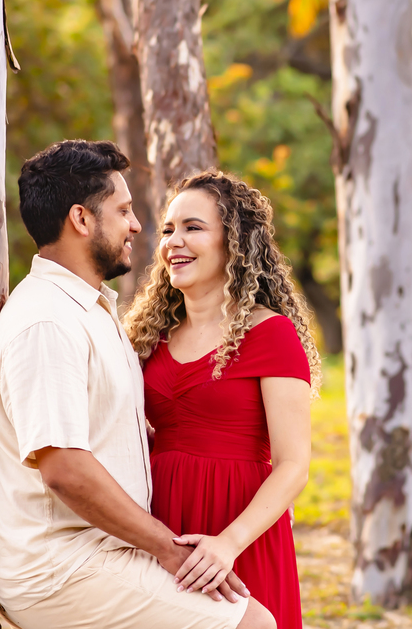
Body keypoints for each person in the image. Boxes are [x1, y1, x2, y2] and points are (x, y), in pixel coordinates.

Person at [0, 141, 275, 629]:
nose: (137, 226)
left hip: (103, 550)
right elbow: (65, 470)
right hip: (63, 567)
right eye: (123, 210)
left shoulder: (92, 309)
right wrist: (167, 549)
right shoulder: (47, 322)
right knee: (253, 625)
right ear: (81, 219)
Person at [126, 171, 322, 629]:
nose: (174, 241)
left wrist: (228, 543)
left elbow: (294, 464)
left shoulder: (271, 333)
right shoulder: (148, 337)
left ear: (233, 242)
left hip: (238, 528)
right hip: (159, 523)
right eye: (169, 230)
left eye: (193, 227)